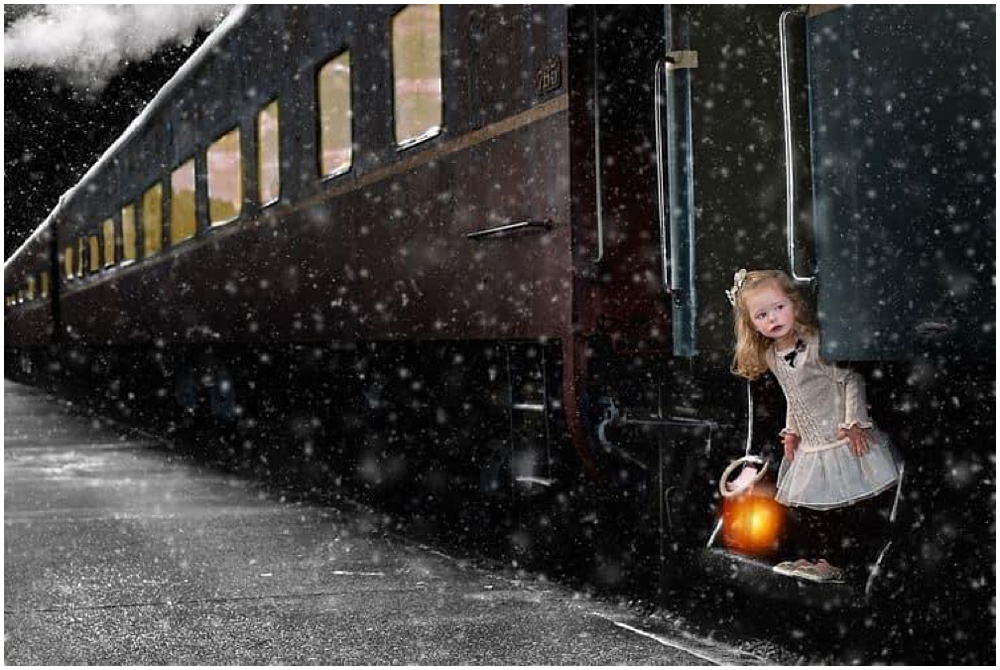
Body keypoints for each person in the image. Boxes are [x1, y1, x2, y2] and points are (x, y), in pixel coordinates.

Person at [726, 269, 900, 582]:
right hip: (812, 444)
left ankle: (839, 562)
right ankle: (818, 558)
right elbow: (794, 397)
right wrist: (792, 432)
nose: (773, 319)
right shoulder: (773, 355)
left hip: (839, 438)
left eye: (779, 308)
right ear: (751, 323)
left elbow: (850, 380)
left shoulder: (814, 345)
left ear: (793, 303)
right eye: (762, 315)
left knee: (842, 508)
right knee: (812, 508)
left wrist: (854, 422)